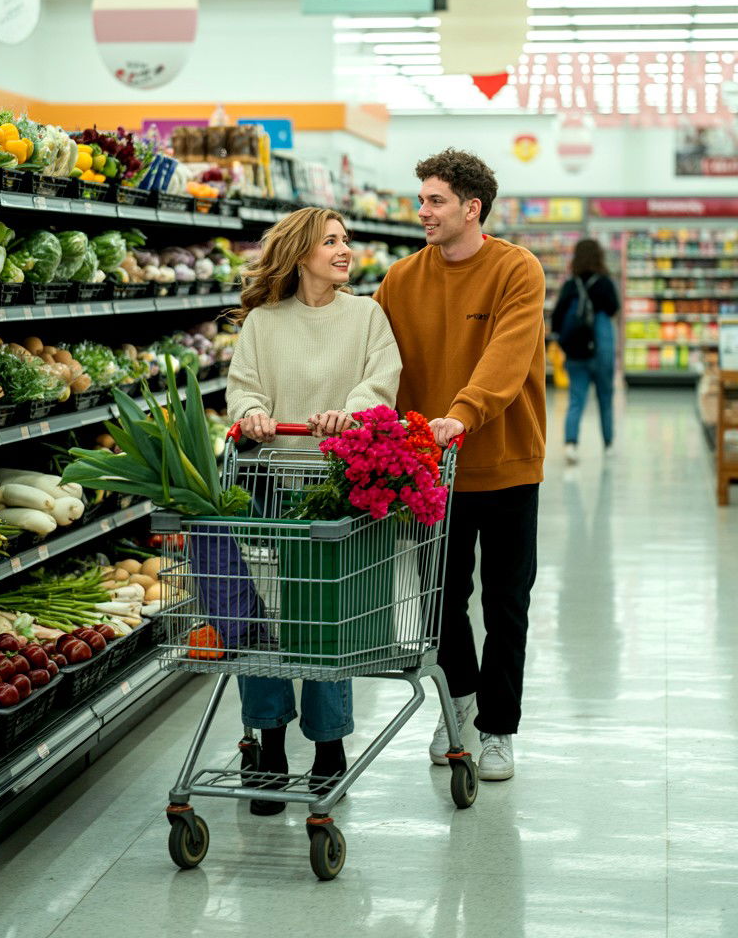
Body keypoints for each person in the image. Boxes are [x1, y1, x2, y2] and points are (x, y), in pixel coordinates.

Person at [374, 148, 546, 782]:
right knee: (440, 601)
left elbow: (506, 354)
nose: (423, 211)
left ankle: (498, 730)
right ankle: (459, 704)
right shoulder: (399, 280)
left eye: (435, 200)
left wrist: (464, 412)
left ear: (472, 209)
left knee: (507, 603)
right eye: (421, 200)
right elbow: (375, 360)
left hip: (505, 464)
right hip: (430, 473)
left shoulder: (516, 270)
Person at [226, 205, 402, 814]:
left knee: (325, 620)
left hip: (336, 485)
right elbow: (243, 383)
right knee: (263, 623)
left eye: (346, 241)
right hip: (271, 482)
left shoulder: (367, 316)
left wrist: (349, 412)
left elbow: (382, 380)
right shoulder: (264, 324)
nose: (344, 251)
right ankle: (269, 743)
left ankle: (329, 747)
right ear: (301, 254)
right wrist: (251, 412)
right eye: (331, 242)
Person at [551, 238, 620, 464]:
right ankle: (608, 444)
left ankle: (571, 444)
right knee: (605, 398)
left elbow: (557, 319)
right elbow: (613, 309)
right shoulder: (605, 283)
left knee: (575, 399)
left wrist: (565, 345)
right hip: (602, 351)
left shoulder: (571, 285)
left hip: (576, 353)